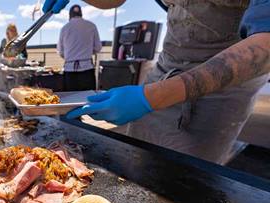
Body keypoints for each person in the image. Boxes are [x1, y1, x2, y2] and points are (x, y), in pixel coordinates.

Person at [43, 0, 270, 164]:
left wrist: (148, 97)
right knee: (138, 160)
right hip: (166, 65)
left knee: (184, 177)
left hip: (223, 82)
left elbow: (266, 46)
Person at [57, 5, 101, 91]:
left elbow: (61, 51)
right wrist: (86, 53)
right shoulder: (91, 25)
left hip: (69, 70)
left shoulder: (64, 28)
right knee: (88, 99)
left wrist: (71, 56)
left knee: (71, 99)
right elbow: (98, 47)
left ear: (70, 15)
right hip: (87, 69)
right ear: (81, 14)